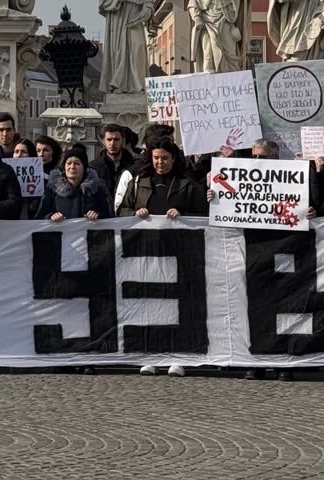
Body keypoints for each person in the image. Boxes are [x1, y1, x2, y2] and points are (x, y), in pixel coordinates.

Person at [118, 137, 204, 377]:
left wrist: (184, 214)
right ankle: (151, 355)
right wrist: (135, 211)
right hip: (146, 253)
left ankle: (179, 356)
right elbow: (121, 210)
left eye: (164, 158)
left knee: (179, 307)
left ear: (173, 159)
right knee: (150, 305)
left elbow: (203, 215)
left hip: (180, 253)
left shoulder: (187, 185)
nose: (160, 163)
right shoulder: (139, 182)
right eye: (156, 158)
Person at [37, 145, 109, 221]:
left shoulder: (96, 189)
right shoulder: (52, 189)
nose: (72, 167)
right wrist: (50, 216)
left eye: (77, 163)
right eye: (68, 163)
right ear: (64, 167)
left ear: (84, 167)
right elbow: (41, 216)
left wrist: (97, 215)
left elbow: (108, 217)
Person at [92, 124, 140, 207]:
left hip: (126, 213)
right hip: (103, 215)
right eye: (109, 139)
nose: (112, 143)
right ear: (104, 141)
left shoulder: (134, 166)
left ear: (123, 141)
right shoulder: (94, 167)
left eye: (116, 139)